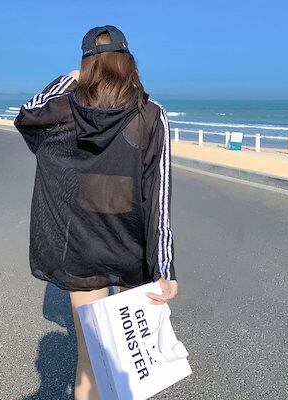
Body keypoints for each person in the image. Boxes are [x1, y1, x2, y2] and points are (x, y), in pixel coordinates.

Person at [14, 25, 178, 400]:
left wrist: (67, 80)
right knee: (130, 363)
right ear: (128, 62)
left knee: (90, 361)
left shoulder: (65, 110)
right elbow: (159, 196)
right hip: (131, 247)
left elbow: (27, 115)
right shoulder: (151, 115)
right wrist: (164, 268)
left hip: (82, 249)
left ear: (87, 64)